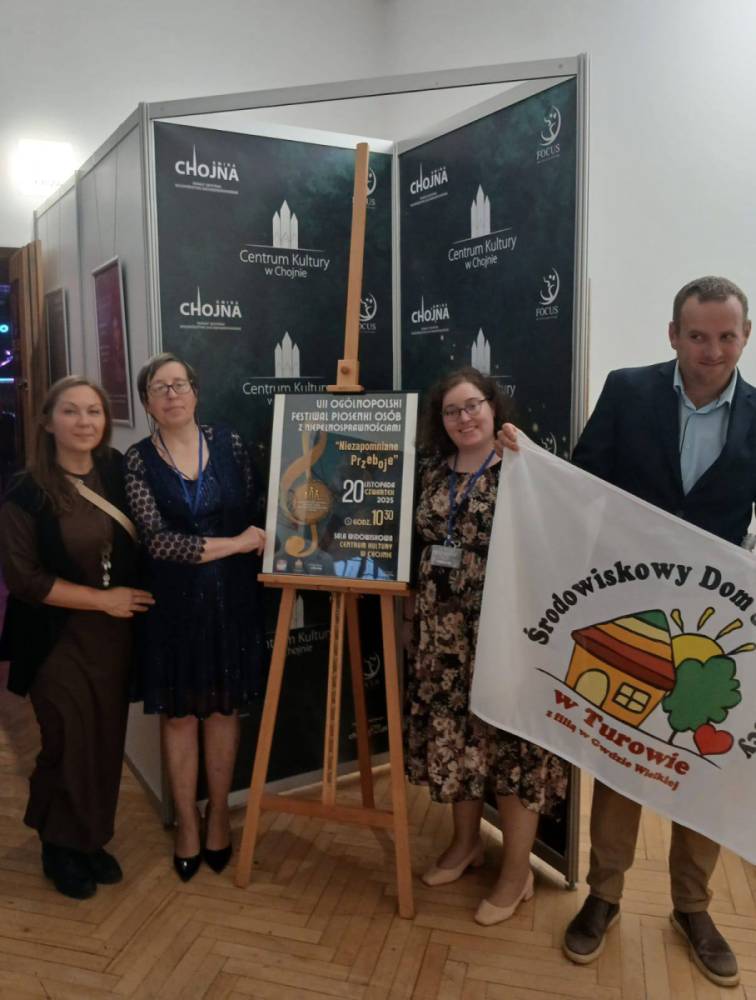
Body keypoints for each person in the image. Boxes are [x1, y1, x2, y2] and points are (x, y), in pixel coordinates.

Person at [498, 275, 752, 987]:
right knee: (625, 756)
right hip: (632, 612)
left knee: (705, 763)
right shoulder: (628, 389)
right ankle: (604, 895)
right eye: (697, 335)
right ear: (673, 334)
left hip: (718, 624)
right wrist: (531, 466)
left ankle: (693, 907)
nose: (711, 350)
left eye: (726, 336)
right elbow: (581, 485)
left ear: (746, 336)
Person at [405, 367, 569, 925]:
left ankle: (516, 872)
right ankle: (466, 844)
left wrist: (531, 456)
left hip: (506, 634)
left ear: (494, 406)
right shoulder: (433, 470)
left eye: (472, 405)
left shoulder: (522, 468)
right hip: (442, 637)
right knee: (458, 740)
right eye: (451, 411)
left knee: (510, 748)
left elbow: (556, 540)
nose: (464, 418)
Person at [0, 376, 153, 899]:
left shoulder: (116, 470)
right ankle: (58, 844)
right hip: (55, 639)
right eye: (71, 411)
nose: (84, 421)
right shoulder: (26, 491)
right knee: (67, 738)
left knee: (104, 739)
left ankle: (89, 837)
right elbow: (24, 579)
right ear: (47, 421)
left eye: (94, 411)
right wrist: (102, 600)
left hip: (114, 639)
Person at [125, 353, 266, 881]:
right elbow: (160, 543)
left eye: (179, 384)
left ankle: (218, 816)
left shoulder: (229, 443)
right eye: (159, 388)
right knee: (180, 716)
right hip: (174, 611)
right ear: (147, 403)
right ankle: (186, 820)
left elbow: (256, 508)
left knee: (224, 711)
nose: (171, 394)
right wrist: (237, 543)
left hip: (233, 605)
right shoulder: (138, 460)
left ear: (195, 392)